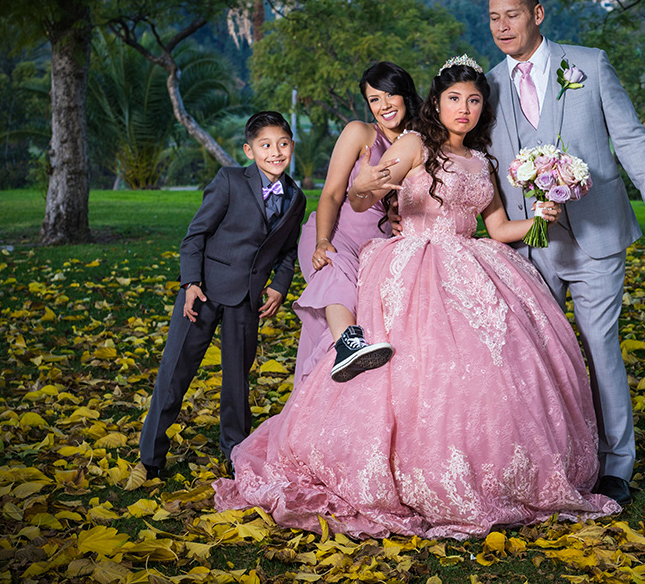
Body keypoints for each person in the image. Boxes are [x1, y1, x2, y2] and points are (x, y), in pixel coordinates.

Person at [212, 58, 621, 539]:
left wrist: (540, 220)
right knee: (415, 363)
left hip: (472, 257)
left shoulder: (483, 160)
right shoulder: (414, 144)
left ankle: (487, 465)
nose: (464, 109)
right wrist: (364, 187)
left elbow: (497, 229)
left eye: (473, 100)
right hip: (413, 261)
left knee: (488, 363)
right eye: (454, 99)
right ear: (436, 103)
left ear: (482, 108)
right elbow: (361, 198)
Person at [485, 0, 645, 506]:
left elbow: (629, 138)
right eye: (494, 18)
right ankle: (559, 460)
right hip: (529, 244)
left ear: (537, 14)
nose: (502, 27)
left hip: (597, 234)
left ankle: (616, 465)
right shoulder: (489, 86)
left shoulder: (589, 65)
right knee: (541, 355)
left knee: (600, 347)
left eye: (512, 15)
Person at [139, 111, 306, 481]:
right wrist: (190, 283)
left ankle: (235, 452)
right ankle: (150, 456)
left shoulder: (296, 198)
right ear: (249, 150)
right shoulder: (229, 180)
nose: (275, 152)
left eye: (282, 144)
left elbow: (288, 251)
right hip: (203, 293)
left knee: (237, 382)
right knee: (175, 372)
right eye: (265, 145)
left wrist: (279, 286)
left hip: (246, 300)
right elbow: (195, 235)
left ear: (292, 146)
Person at [293, 62, 423, 384]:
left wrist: (396, 213)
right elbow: (331, 194)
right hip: (335, 233)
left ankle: (329, 388)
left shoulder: (420, 141)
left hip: (377, 246)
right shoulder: (360, 133)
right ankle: (348, 346)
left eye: (390, 94)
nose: (384, 105)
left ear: (405, 94)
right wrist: (323, 240)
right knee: (335, 276)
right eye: (374, 99)